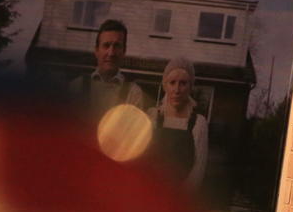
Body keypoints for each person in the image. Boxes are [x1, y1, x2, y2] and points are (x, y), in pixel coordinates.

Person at [150, 57, 209, 188]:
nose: (177, 90)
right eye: (172, 83)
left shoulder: (199, 123)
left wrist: (179, 197)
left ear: (190, 87)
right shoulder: (153, 116)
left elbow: (198, 170)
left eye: (183, 83)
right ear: (165, 86)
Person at [84, 19, 146, 113]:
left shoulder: (133, 93)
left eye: (117, 46)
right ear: (96, 50)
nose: (111, 53)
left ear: (124, 51)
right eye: (106, 45)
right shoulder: (77, 87)